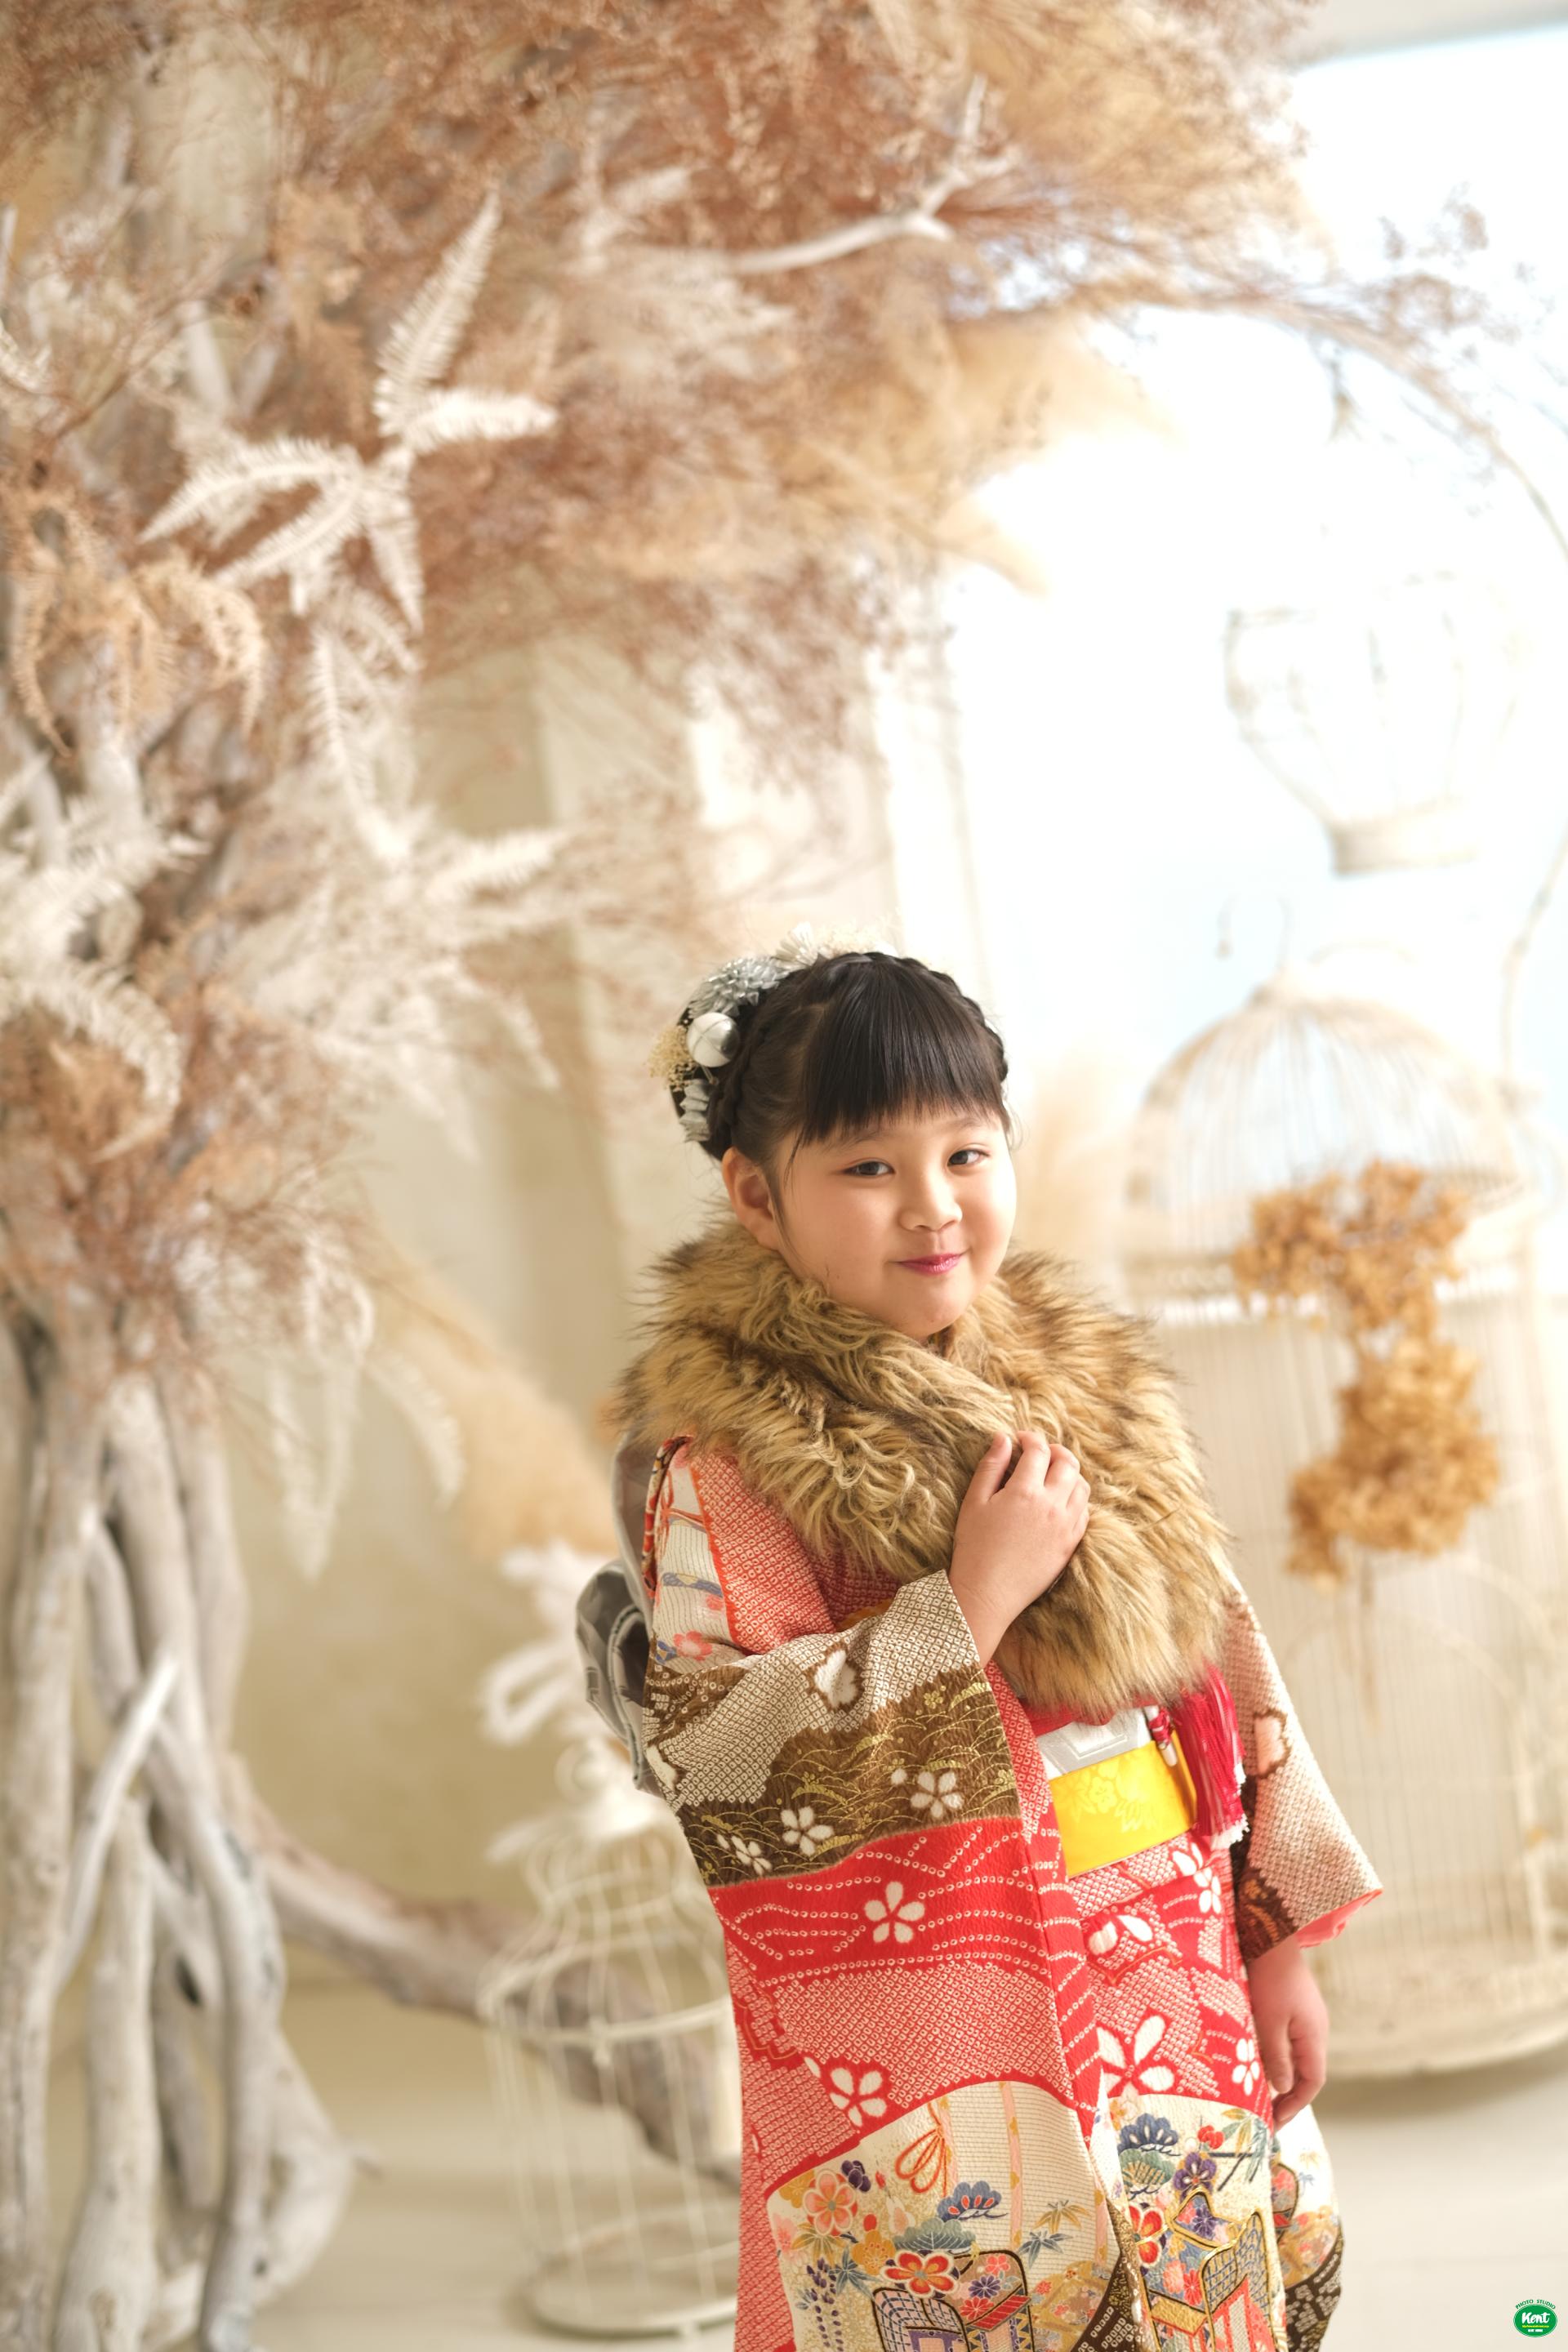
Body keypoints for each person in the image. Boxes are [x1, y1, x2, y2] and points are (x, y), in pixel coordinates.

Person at [607, 923, 1383, 2352]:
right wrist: (968, 1608)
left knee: (1199, 2291)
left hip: (1166, 1938)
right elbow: (723, 1758)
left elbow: (1218, 1672)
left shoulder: (1078, 1378)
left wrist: (1273, 1938)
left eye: (967, 1152)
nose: (932, 1206)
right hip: (942, 2006)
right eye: (867, 1167)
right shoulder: (727, 1463)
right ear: (755, 1194)